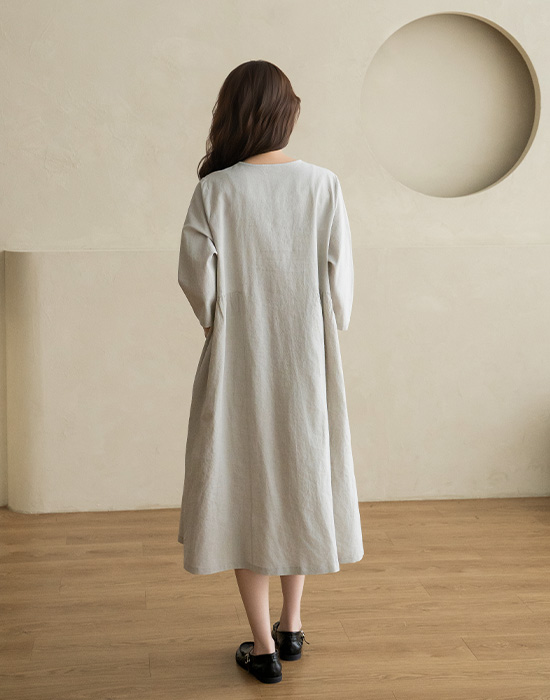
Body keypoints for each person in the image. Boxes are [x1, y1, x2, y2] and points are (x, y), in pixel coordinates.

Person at [176, 59, 364, 684]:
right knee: (300, 472)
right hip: (305, 352)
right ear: (287, 113)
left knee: (245, 482)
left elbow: (197, 280)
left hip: (240, 352)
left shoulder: (217, 190)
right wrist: (327, 322)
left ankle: (262, 647)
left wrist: (217, 324)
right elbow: (340, 280)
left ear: (231, 114)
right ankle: (292, 624)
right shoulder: (323, 184)